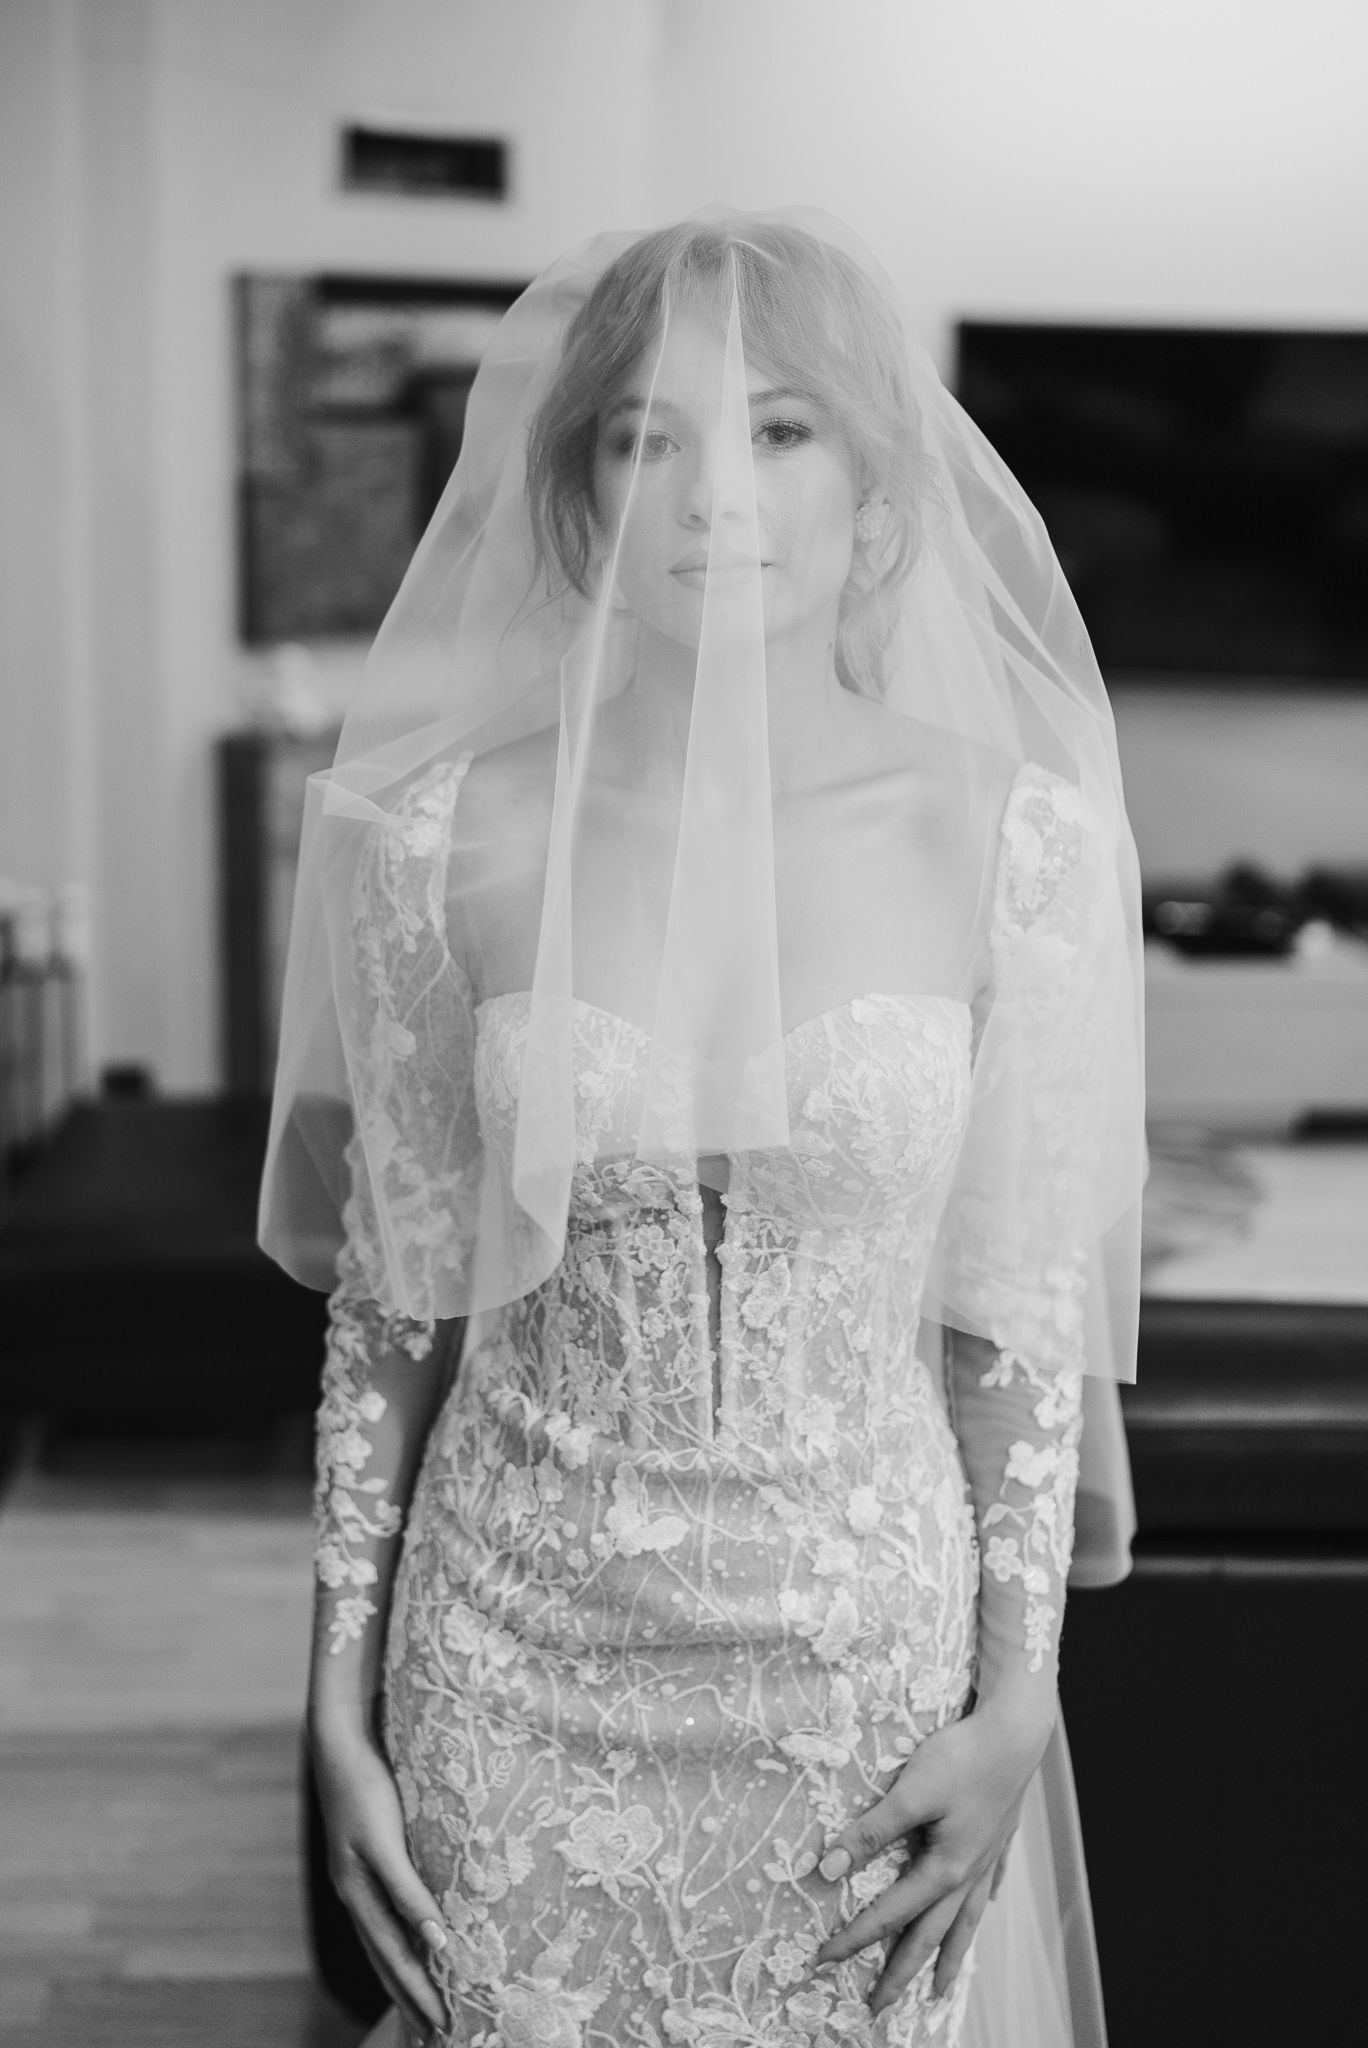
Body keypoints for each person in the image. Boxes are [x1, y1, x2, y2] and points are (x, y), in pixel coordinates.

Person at [259, 209, 1146, 2048]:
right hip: (509, 1661)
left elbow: (1017, 1313)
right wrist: (334, 1702)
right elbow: (394, 1300)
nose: (712, 494)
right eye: (644, 437)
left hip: (864, 1687)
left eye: (779, 430)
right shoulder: (436, 843)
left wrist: (1019, 1699)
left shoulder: (1018, 844)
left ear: (875, 492)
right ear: (580, 498)